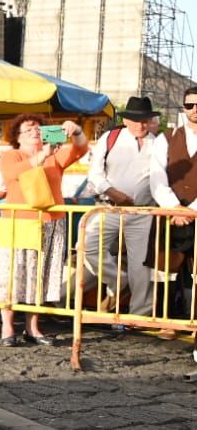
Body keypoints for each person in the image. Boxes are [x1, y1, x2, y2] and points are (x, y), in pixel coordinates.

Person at [0, 114, 87, 346]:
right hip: (18, 222)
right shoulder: (11, 155)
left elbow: (81, 149)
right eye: (28, 130)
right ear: (17, 137)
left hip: (50, 222)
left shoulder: (55, 156)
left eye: (37, 128)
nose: (34, 132)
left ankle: (33, 327)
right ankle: (7, 327)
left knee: (41, 277)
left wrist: (75, 131)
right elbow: (12, 173)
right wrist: (41, 155)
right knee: (13, 276)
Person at [78, 97, 159, 324]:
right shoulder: (110, 137)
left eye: (144, 120)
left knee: (141, 263)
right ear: (126, 120)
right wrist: (112, 192)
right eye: (135, 120)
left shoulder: (158, 143)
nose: (140, 125)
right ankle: (117, 279)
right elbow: (94, 172)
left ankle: (139, 316)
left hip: (143, 211)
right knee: (86, 247)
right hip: (108, 207)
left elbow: (161, 178)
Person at [151, 87, 197, 318]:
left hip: (195, 214)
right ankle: (166, 321)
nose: (195, 110)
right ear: (183, 108)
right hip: (171, 216)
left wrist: (192, 211)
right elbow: (157, 176)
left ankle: (193, 321)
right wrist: (175, 208)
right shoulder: (165, 138)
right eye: (190, 105)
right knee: (164, 270)